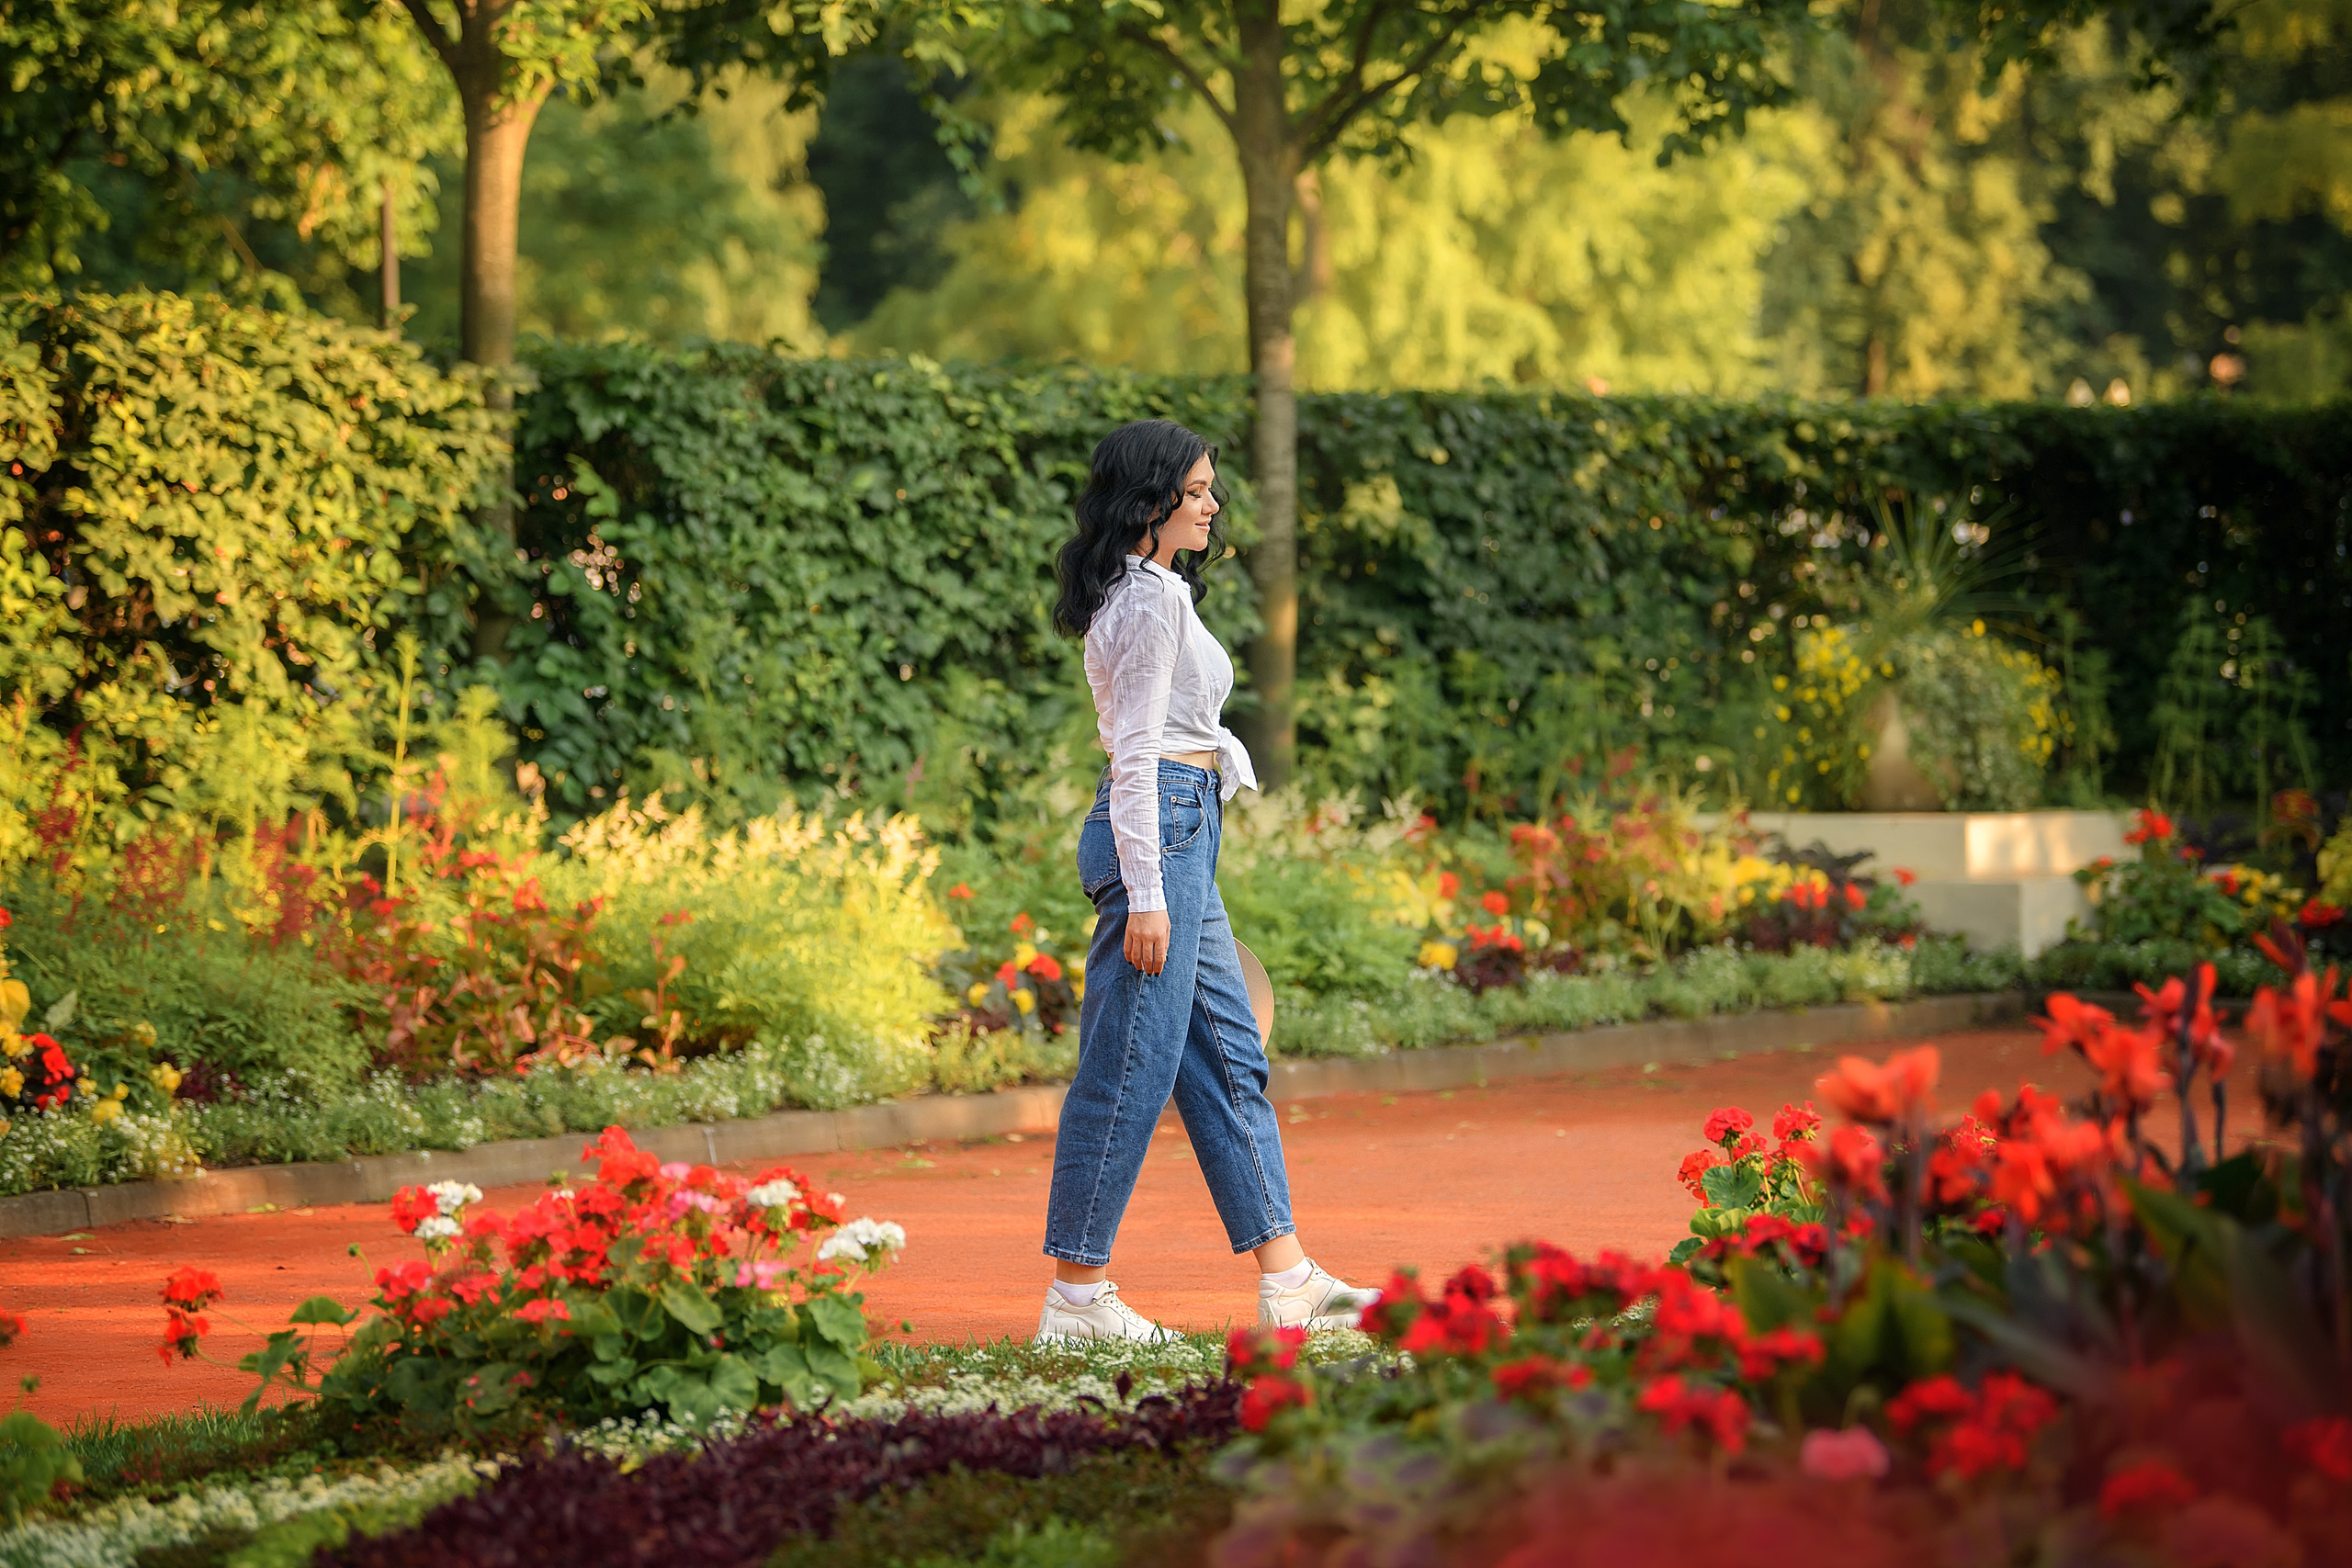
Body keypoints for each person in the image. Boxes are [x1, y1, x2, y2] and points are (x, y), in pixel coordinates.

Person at [1035, 418, 1377, 1343]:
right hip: (1160, 836)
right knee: (1128, 1067)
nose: (1212, 504)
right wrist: (1147, 894)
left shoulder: (1153, 590)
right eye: (1196, 492)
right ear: (1150, 502)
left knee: (1228, 1057)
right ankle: (1075, 1297)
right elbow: (1138, 753)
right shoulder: (1147, 603)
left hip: (1182, 830)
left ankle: (1289, 1280)